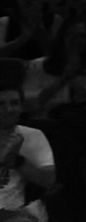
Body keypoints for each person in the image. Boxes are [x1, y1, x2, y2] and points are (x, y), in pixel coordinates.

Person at [0, 79, 56, 221]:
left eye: (14, 103)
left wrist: (16, 160)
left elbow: (49, 180)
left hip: (12, 211)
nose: (9, 109)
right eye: (1, 104)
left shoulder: (32, 136)